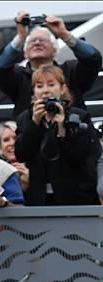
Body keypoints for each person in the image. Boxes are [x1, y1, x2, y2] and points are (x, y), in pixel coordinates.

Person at [15, 65, 102, 205]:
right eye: (39, 86)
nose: (45, 91)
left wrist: (62, 129)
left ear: (63, 89)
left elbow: (79, 158)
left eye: (51, 85)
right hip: (40, 198)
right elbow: (21, 154)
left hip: (75, 197)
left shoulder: (78, 116)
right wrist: (35, 124)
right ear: (34, 91)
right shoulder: (25, 118)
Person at [0, 11, 102, 118]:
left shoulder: (70, 71)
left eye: (43, 40)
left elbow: (93, 60)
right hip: (32, 134)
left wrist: (64, 34)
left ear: (55, 50)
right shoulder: (18, 77)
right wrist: (21, 37)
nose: (37, 43)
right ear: (25, 53)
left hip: (72, 133)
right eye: (32, 41)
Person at [0, 121, 29, 192]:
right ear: (1, 148)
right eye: (6, 140)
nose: (12, 143)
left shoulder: (37, 166)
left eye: (15, 138)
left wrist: (32, 181)